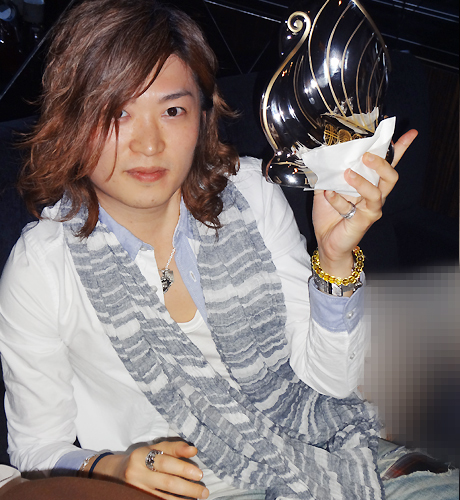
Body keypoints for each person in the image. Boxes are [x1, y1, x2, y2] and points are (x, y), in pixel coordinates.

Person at [4, 0, 453, 499]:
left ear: (202, 115)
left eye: (172, 110)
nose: (149, 144)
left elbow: (331, 383)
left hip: (332, 457)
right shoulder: (43, 266)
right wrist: (110, 468)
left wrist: (334, 258)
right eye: (118, 113)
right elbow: (35, 447)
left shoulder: (251, 194)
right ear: (71, 120)